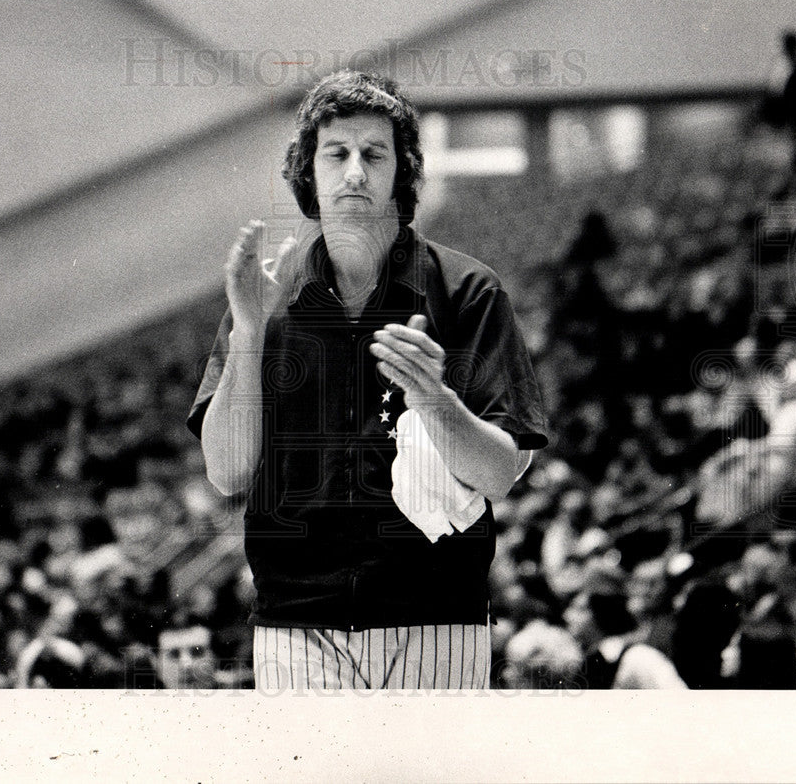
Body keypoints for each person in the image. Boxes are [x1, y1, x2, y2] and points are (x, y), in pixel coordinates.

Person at [187, 70, 548, 690]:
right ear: (310, 171)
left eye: (373, 154)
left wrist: (436, 400)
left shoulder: (468, 293)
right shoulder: (262, 300)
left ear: (400, 173)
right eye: (337, 153)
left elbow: (498, 475)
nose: (355, 171)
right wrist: (247, 331)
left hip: (437, 619)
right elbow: (226, 470)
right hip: (294, 624)